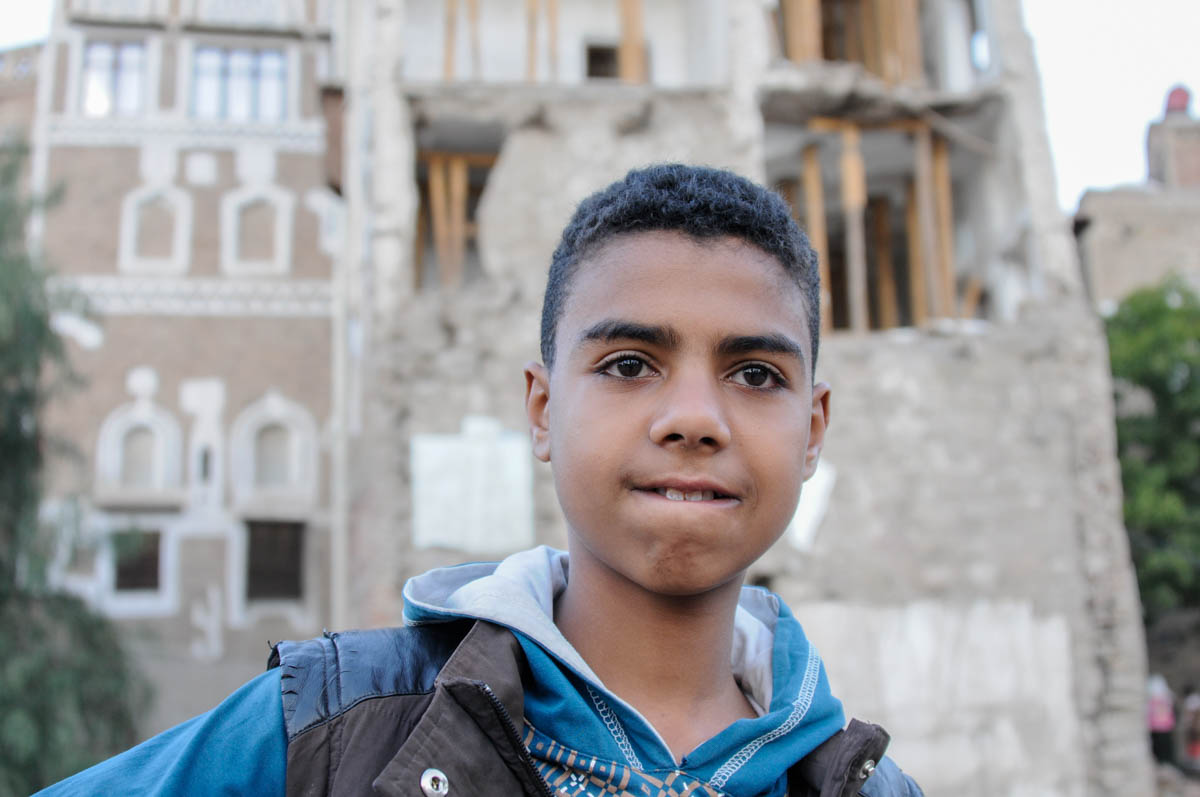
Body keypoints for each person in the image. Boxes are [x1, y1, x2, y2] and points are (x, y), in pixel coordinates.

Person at [38, 165, 923, 796]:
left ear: (812, 431)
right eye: (627, 363)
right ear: (541, 410)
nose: (693, 417)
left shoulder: (861, 784)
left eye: (756, 374)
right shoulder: (337, 725)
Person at [1148, 673, 1177, 765]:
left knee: (1158, 749)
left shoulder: (1153, 697)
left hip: (1156, 728)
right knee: (1164, 749)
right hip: (1165, 727)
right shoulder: (1167, 696)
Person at [1182, 683, 1200, 771]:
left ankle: (1195, 762)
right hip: (1194, 726)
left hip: (1194, 726)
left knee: (1194, 743)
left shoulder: (1191, 700)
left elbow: (1195, 713)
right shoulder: (1195, 699)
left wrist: (1194, 724)